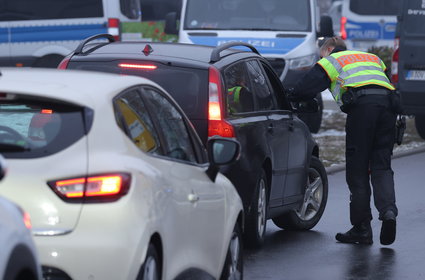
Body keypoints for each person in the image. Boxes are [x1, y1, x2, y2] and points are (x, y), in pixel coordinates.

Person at [287, 36, 398, 245]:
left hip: (363, 109)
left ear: (329, 49)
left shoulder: (331, 61)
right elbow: (385, 83)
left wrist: (289, 95)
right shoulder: (372, 58)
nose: (320, 59)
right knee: (381, 166)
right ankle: (389, 212)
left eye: (321, 54)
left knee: (357, 168)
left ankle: (362, 228)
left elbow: (305, 88)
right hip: (388, 107)